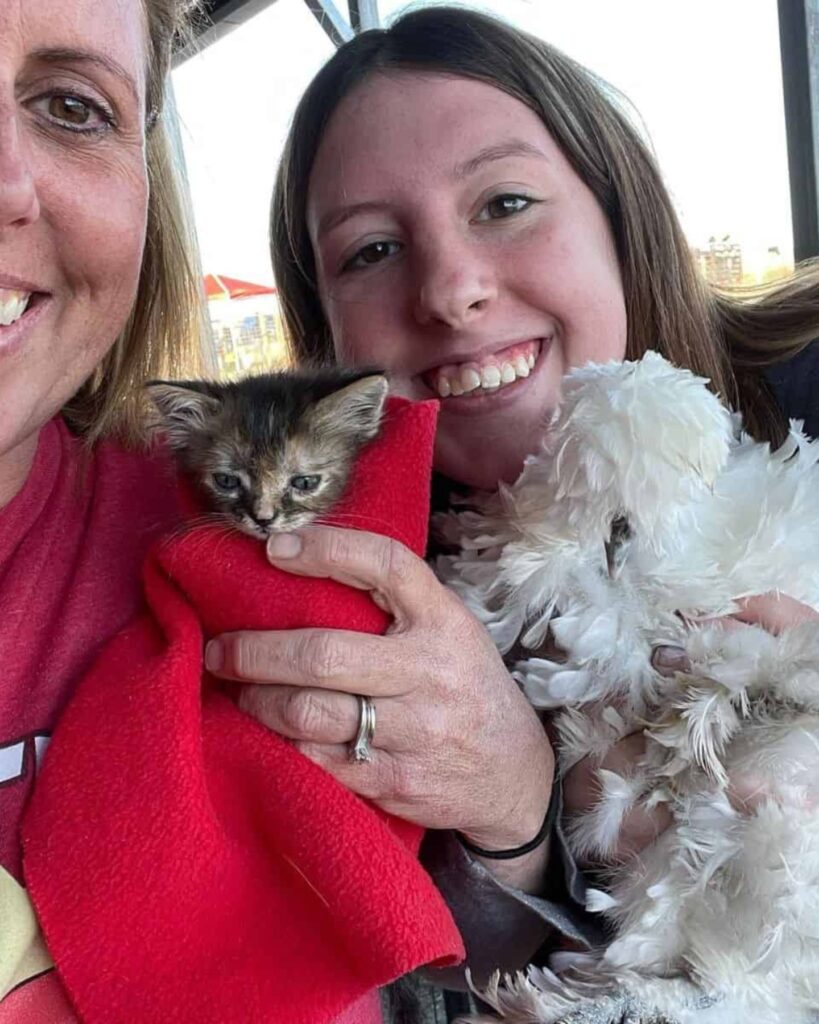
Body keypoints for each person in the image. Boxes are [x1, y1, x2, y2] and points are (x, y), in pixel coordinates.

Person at [234, 5, 818, 1020]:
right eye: (371, 251)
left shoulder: (807, 381)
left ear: (617, 213)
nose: (452, 290)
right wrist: (524, 834)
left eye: (504, 202)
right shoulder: (335, 597)